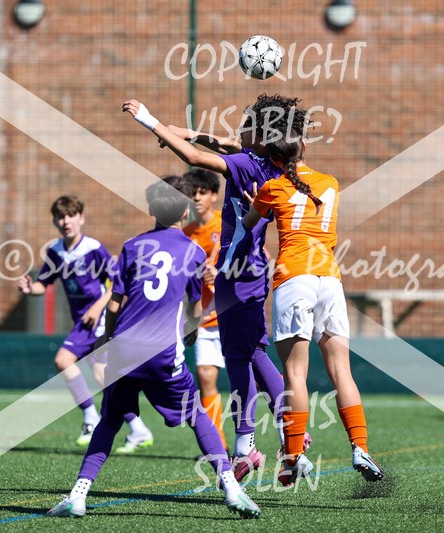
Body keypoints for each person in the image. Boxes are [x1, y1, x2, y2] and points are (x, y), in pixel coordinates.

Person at [46, 177, 260, 519]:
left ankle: (78, 496)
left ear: (150, 210)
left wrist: (108, 340)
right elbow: (194, 306)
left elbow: (115, 303)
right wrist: (190, 332)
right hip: (163, 354)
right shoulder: (192, 251)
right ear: (186, 209)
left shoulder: (132, 246)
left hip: (125, 351)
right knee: (197, 416)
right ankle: (232, 489)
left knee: (109, 422)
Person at [123, 95, 310, 481]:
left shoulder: (244, 163)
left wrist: (149, 119)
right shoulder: (275, 164)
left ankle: (278, 433)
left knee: (246, 355)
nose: (238, 129)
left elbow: (197, 159)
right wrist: (185, 131)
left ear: (258, 135)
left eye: (245, 123)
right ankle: (261, 440)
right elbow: (221, 144)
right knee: (250, 352)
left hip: (234, 269)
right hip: (253, 267)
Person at [242, 122, 385, 485]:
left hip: (294, 280)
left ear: (272, 157)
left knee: (295, 375)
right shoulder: (331, 182)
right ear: (303, 148)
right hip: (330, 281)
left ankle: (293, 456)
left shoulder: (273, 187)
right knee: (342, 372)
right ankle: (360, 447)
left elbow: (248, 224)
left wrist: (253, 205)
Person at [18, 195, 153, 449]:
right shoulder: (56, 251)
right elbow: (42, 285)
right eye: (60, 217)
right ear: (55, 221)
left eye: (70, 215)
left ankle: (106, 421)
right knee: (91, 371)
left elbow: (115, 284)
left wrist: (97, 307)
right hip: (83, 322)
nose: (65, 221)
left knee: (93, 372)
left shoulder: (93, 249)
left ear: (81, 218)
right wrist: (29, 289)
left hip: (100, 319)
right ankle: (130, 426)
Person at [181, 169, 228, 453]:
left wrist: (221, 273)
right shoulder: (185, 235)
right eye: (192, 193)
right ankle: (219, 447)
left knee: (255, 380)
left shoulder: (228, 225)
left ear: (213, 195)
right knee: (206, 376)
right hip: (206, 319)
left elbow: (260, 261)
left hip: (234, 315)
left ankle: (291, 438)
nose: (197, 197)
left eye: (202, 192)